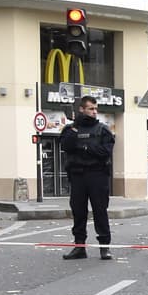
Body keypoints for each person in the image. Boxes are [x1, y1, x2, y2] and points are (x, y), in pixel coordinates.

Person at [59, 95, 115, 261]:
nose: (94, 112)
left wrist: (83, 147)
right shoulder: (71, 129)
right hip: (77, 176)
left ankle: (105, 247)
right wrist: (75, 128)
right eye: (91, 109)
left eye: (95, 109)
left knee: (100, 212)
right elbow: (66, 146)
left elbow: (105, 152)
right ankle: (79, 246)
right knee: (78, 212)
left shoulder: (102, 130)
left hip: (97, 175)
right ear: (81, 109)